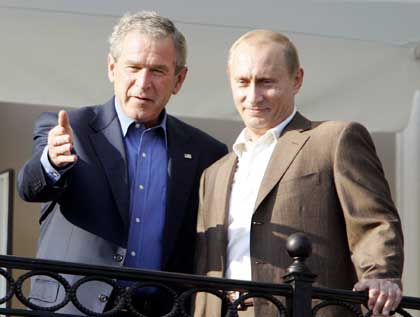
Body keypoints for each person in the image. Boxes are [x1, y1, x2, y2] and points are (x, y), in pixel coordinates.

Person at [17, 11, 228, 316]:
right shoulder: (70, 128)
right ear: (112, 68)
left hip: (160, 309)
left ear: (179, 79)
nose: (143, 82)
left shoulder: (205, 152)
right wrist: (52, 161)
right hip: (72, 306)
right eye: (134, 67)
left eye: (157, 70)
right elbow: (29, 187)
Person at [194, 29, 404, 317]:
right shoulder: (215, 173)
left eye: (266, 82)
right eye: (242, 82)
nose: (253, 95)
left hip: (303, 308)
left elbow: (373, 222)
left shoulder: (333, 139)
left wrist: (381, 274)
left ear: (297, 80)